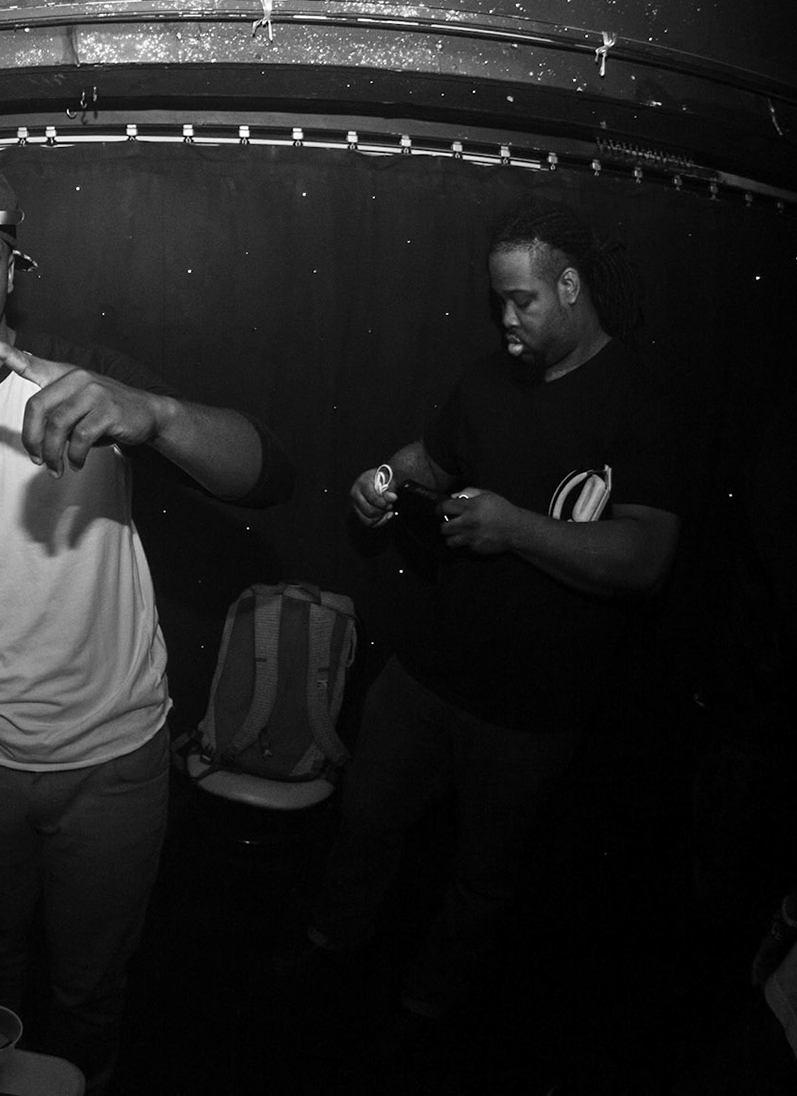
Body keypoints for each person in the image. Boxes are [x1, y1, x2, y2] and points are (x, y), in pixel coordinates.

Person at [0, 160, 294, 1090]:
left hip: (115, 762)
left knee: (91, 992)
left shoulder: (86, 383)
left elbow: (269, 476)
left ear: (13, 272)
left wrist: (154, 416)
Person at [284, 200, 684, 1024]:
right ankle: (330, 953)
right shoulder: (486, 380)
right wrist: (382, 482)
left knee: (484, 874)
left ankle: (432, 1008)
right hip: (431, 671)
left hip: (534, 707)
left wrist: (515, 529)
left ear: (569, 287)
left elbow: (646, 557)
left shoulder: (640, 399)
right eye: (498, 299)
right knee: (364, 820)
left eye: (522, 300)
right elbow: (428, 461)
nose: (505, 318)